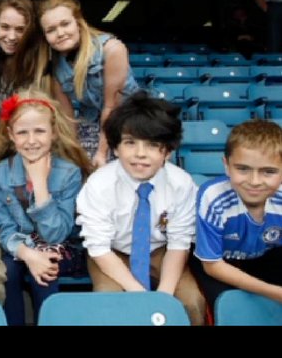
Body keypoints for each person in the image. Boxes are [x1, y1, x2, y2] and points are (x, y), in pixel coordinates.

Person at [76, 91, 206, 325]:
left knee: (190, 302)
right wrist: (140, 295)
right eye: (130, 143)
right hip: (112, 253)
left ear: (167, 151)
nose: (140, 154)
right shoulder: (98, 185)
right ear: (115, 148)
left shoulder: (182, 184)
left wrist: (164, 295)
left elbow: (179, 244)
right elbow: (99, 248)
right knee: (109, 301)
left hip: (161, 250)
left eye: (153, 145)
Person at [0, 88, 91, 326]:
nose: (31, 140)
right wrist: (28, 254)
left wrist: (41, 185)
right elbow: (5, 229)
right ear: (11, 135)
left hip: (62, 247)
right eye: (23, 132)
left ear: (53, 133)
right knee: (9, 271)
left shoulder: (68, 173)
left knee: (47, 269)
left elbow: (56, 234)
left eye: (39, 131)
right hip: (21, 247)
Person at [39, 0, 138, 167]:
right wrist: (75, 152)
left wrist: (101, 153)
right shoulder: (54, 65)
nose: (60, 33)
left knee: (118, 162)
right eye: (51, 30)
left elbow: (112, 106)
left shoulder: (112, 49)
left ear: (78, 22)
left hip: (131, 117)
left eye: (65, 24)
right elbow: (68, 116)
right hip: (92, 120)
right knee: (73, 163)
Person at [191, 119, 282, 308]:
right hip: (219, 262)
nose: (255, 181)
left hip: (264, 255)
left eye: (268, 172)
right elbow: (212, 265)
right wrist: (275, 292)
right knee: (229, 306)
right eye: (243, 169)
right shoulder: (213, 197)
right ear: (226, 165)